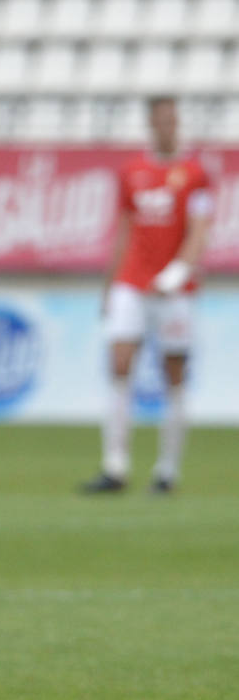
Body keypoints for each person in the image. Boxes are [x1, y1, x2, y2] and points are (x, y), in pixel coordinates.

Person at [81, 96, 214, 495]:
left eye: (174, 120)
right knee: (119, 364)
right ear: (152, 124)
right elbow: (123, 230)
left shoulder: (195, 175)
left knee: (174, 374)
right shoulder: (132, 173)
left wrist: (175, 275)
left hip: (175, 290)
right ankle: (115, 466)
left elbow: (199, 231)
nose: (169, 127)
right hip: (132, 282)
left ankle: (167, 472)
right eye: (163, 120)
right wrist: (109, 284)